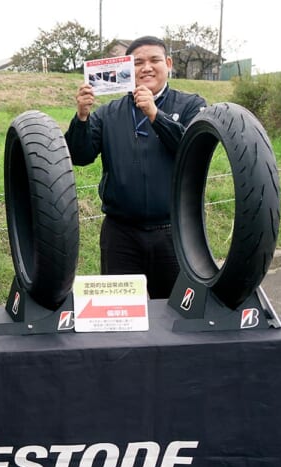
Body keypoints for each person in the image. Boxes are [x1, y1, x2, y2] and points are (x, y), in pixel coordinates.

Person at [64, 35, 207, 299]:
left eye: (154, 60)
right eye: (138, 62)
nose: (147, 68)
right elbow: (79, 155)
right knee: (122, 314)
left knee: (176, 312)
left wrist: (155, 114)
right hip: (121, 234)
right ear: (128, 69)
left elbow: (193, 150)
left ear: (168, 64)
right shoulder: (108, 113)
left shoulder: (191, 105)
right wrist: (82, 117)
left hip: (176, 231)